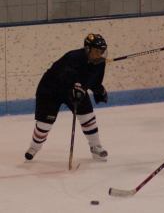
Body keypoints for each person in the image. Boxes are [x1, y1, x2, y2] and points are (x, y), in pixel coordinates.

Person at [25, 34, 109, 162]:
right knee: (44, 124)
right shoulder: (73, 57)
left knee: (88, 116)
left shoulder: (99, 63)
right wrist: (76, 85)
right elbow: (63, 74)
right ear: (87, 49)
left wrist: (99, 89)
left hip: (76, 90)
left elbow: (93, 80)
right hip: (50, 89)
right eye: (96, 51)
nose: (98, 55)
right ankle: (34, 147)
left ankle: (95, 146)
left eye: (101, 52)